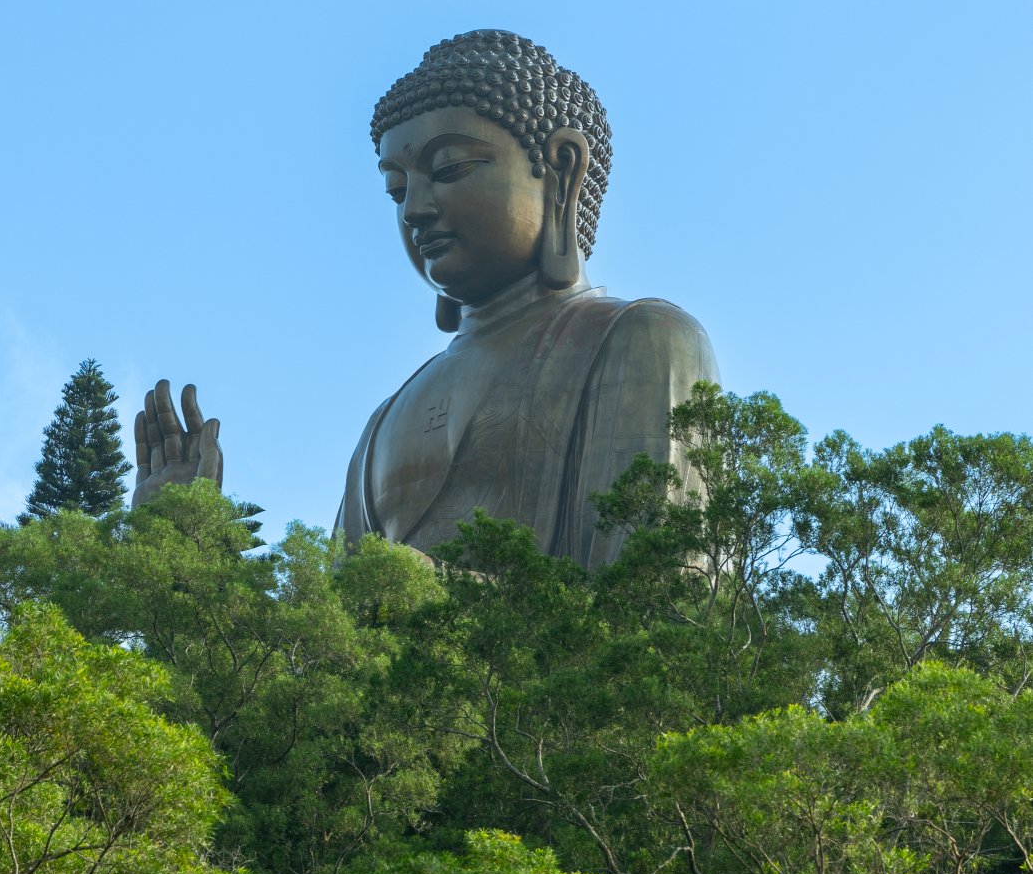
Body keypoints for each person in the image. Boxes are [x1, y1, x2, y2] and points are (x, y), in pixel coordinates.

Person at [132, 29, 716, 570]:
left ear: (561, 168)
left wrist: (418, 589)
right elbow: (325, 646)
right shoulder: (386, 419)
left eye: (450, 169)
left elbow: (661, 611)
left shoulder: (643, 341)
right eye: (396, 188)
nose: (414, 209)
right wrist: (187, 544)